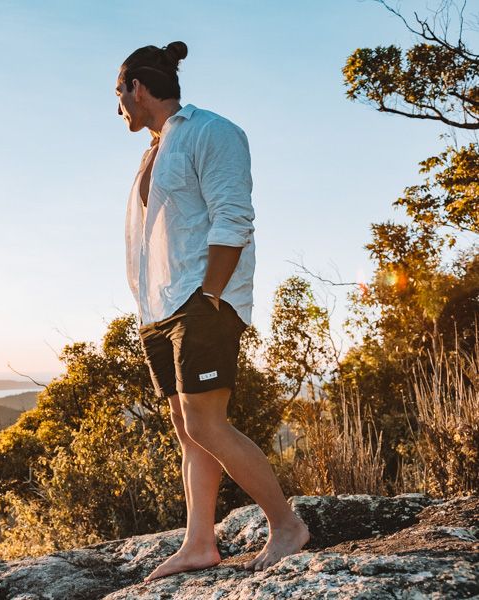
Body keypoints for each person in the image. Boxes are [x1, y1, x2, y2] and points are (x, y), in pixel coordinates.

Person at [115, 41, 311, 582]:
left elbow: (234, 215)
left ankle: (286, 524)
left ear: (137, 86)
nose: (118, 109)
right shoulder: (153, 150)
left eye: (119, 93)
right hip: (158, 307)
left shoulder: (211, 130)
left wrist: (211, 294)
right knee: (187, 426)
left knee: (206, 421)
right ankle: (199, 543)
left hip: (201, 300)